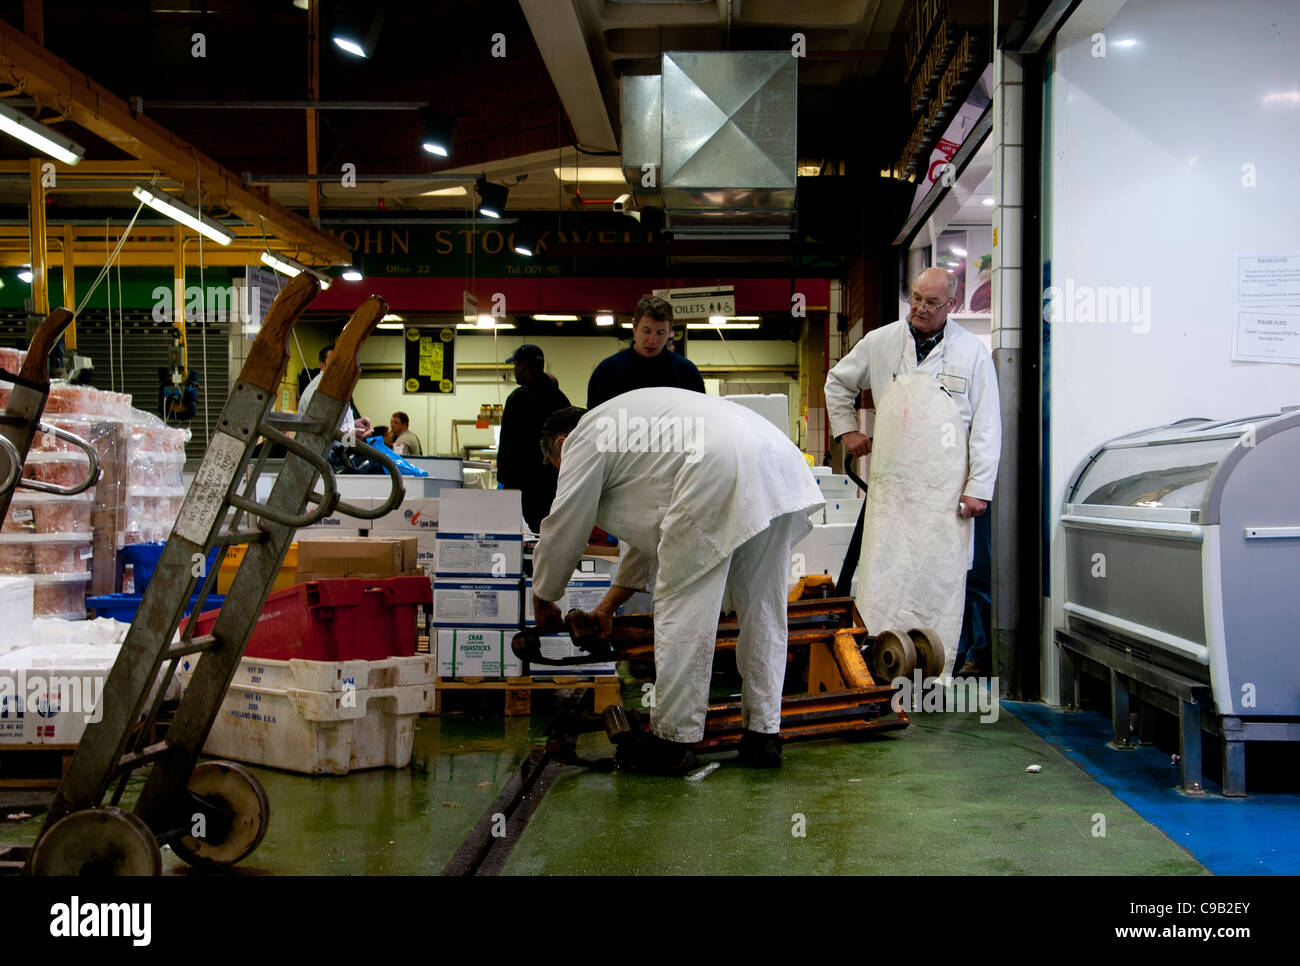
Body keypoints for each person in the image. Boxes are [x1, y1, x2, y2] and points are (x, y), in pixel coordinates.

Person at [531, 389, 824, 775]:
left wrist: (543, 597)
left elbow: (565, 524)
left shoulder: (586, 436)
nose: (562, 474)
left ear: (562, 444)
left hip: (718, 463)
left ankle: (674, 742)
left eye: (557, 466)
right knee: (764, 607)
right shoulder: (635, 432)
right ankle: (762, 736)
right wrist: (607, 606)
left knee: (684, 604)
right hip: (776, 458)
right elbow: (654, 529)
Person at [824, 267, 1000, 677]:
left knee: (954, 570)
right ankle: (878, 652)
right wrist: (848, 430)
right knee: (884, 565)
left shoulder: (971, 352)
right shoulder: (881, 341)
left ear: (951, 305)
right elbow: (838, 383)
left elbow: (988, 426)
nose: (920, 308)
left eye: (931, 302)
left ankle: (957, 656)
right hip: (892, 483)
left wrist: (979, 488)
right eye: (916, 298)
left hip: (950, 487)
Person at [497, 344, 570, 532]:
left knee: (529, 532)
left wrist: (505, 481)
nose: (515, 371)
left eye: (515, 366)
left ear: (523, 367)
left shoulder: (518, 398)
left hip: (525, 484)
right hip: (555, 482)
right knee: (551, 530)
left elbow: (507, 444)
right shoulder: (560, 398)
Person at [586, 295, 705, 408]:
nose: (653, 340)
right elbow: (594, 422)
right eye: (647, 331)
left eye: (660, 333)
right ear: (634, 326)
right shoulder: (607, 372)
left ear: (670, 332)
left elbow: (700, 417)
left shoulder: (687, 374)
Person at [298, 343, 371, 438]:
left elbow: (334, 425)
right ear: (322, 366)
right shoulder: (319, 391)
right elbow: (323, 435)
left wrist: (353, 424)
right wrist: (353, 434)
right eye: (333, 361)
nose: (339, 365)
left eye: (341, 361)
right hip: (322, 452)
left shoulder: (336, 387)